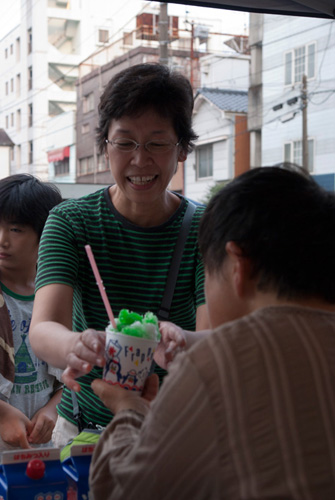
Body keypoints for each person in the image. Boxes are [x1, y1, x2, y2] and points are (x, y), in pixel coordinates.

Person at [88, 166, 335, 500]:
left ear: (238, 266)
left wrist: (129, 410)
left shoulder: (220, 362)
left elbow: (125, 491)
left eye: (207, 269)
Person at [30, 63, 209, 448]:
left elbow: (215, 338)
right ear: (105, 146)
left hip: (175, 432)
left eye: (157, 143)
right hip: (83, 432)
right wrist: (73, 345)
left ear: (181, 149)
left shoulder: (205, 228)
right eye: (124, 142)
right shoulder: (70, 221)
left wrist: (183, 341)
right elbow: (43, 330)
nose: (140, 160)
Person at [0, 174, 63, 451]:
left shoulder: (58, 295)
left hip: (41, 446)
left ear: (45, 233)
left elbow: (72, 375)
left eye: (16, 230)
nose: (2, 240)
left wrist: (53, 410)